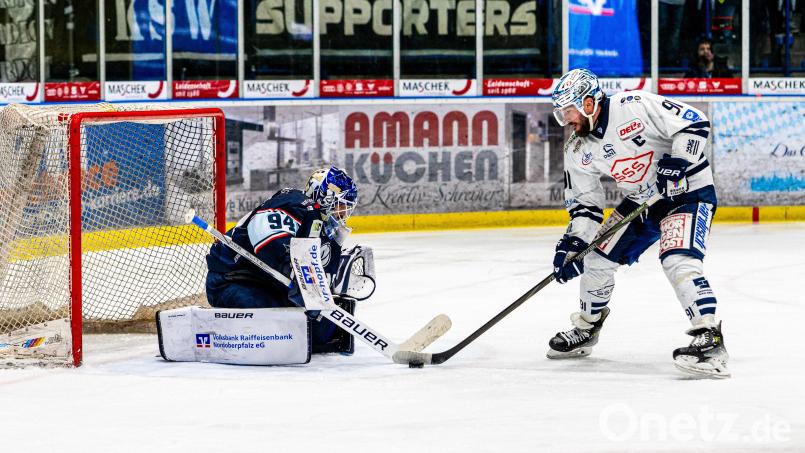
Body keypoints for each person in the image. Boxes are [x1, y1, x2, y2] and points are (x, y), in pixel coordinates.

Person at [547, 68, 729, 378]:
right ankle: (588, 328)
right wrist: (575, 243)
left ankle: (709, 339)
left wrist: (679, 161)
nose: (567, 120)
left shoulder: (634, 104)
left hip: (689, 192)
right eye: (562, 113)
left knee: (678, 258)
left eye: (570, 110)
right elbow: (585, 205)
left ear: (589, 103)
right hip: (643, 201)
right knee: (594, 256)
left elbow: (695, 121)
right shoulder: (577, 150)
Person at [205, 166, 371, 355]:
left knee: (320, 330)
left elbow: (319, 275)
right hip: (232, 280)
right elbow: (265, 238)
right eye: (341, 205)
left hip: (266, 283)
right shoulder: (293, 203)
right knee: (290, 327)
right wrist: (292, 271)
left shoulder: (324, 228)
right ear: (326, 197)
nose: (343, 213)